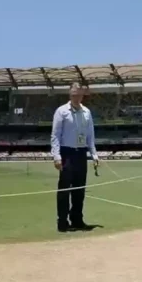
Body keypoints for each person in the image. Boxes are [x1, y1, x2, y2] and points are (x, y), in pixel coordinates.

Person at [50, 83, 98, 232]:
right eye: (73, 94)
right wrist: (56, 156)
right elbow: (55, 135)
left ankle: (77, 220)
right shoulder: (61, 111)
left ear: (83, 95)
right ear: (70, 94)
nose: (76, 97)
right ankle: (62, 222)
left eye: (79, 94)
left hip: (81, 153)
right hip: (66, 153)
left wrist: (94, 154)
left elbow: (90, 136)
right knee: (64, 189)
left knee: (79, 189)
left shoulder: (86, 112)